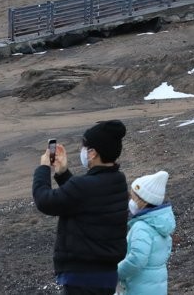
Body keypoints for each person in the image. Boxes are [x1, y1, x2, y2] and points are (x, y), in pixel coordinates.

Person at [32, 120, 129, 295]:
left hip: (83, 279)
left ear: (92, 153)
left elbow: (45, 201)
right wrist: (63, 174)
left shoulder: (85, 186)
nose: (82, 152)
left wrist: (44, 168)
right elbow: (86, 201)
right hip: (105, 277)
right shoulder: (117, 181)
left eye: (85, 148)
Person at [117, 170, 175, 295]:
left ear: (142, 200)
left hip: (138, 288)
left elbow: (137, 259)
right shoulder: (161, 225)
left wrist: (117, 273)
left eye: (132, 197)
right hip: (157, 286)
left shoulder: (141, 227)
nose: (130, 202)